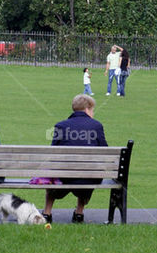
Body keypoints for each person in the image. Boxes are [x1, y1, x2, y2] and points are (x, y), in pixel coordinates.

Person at [42, 94, 108, 224]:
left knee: (52, 173)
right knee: (90, 171)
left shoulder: (60, 125)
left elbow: (53, 151)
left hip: (63, 176)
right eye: (92, 109)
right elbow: (105, 151)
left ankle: (47, 213)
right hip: (87, 178)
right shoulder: (96, 126)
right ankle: (79, 213)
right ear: (87, 109)